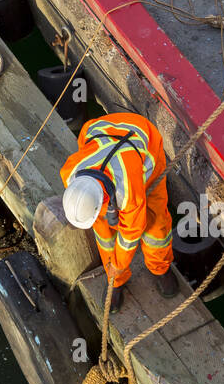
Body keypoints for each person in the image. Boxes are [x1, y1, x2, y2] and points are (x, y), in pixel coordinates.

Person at [60, 112, 179, 310]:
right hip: (100, 130)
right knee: (104, 233)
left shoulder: (128, 191)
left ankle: (160, 267)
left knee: (154, 222)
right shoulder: (70, 171)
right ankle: (115, 281)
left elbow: (131, 233)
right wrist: (114, 271)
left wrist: (119, 263)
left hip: (143, 141)